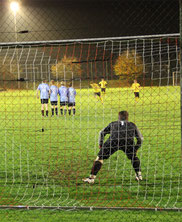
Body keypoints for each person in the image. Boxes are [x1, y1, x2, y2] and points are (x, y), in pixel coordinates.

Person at [83, 111, 143, 184]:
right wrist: (136, 148)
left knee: (100, 158)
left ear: (118, 117)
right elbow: (140, 138)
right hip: (128, 142)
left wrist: (101, 144)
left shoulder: (113, 124)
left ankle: (91, 178)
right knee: (134, 157)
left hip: (113, 141)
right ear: (127, 117)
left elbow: (102, 132)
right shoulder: (133, 125)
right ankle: (139, 175)